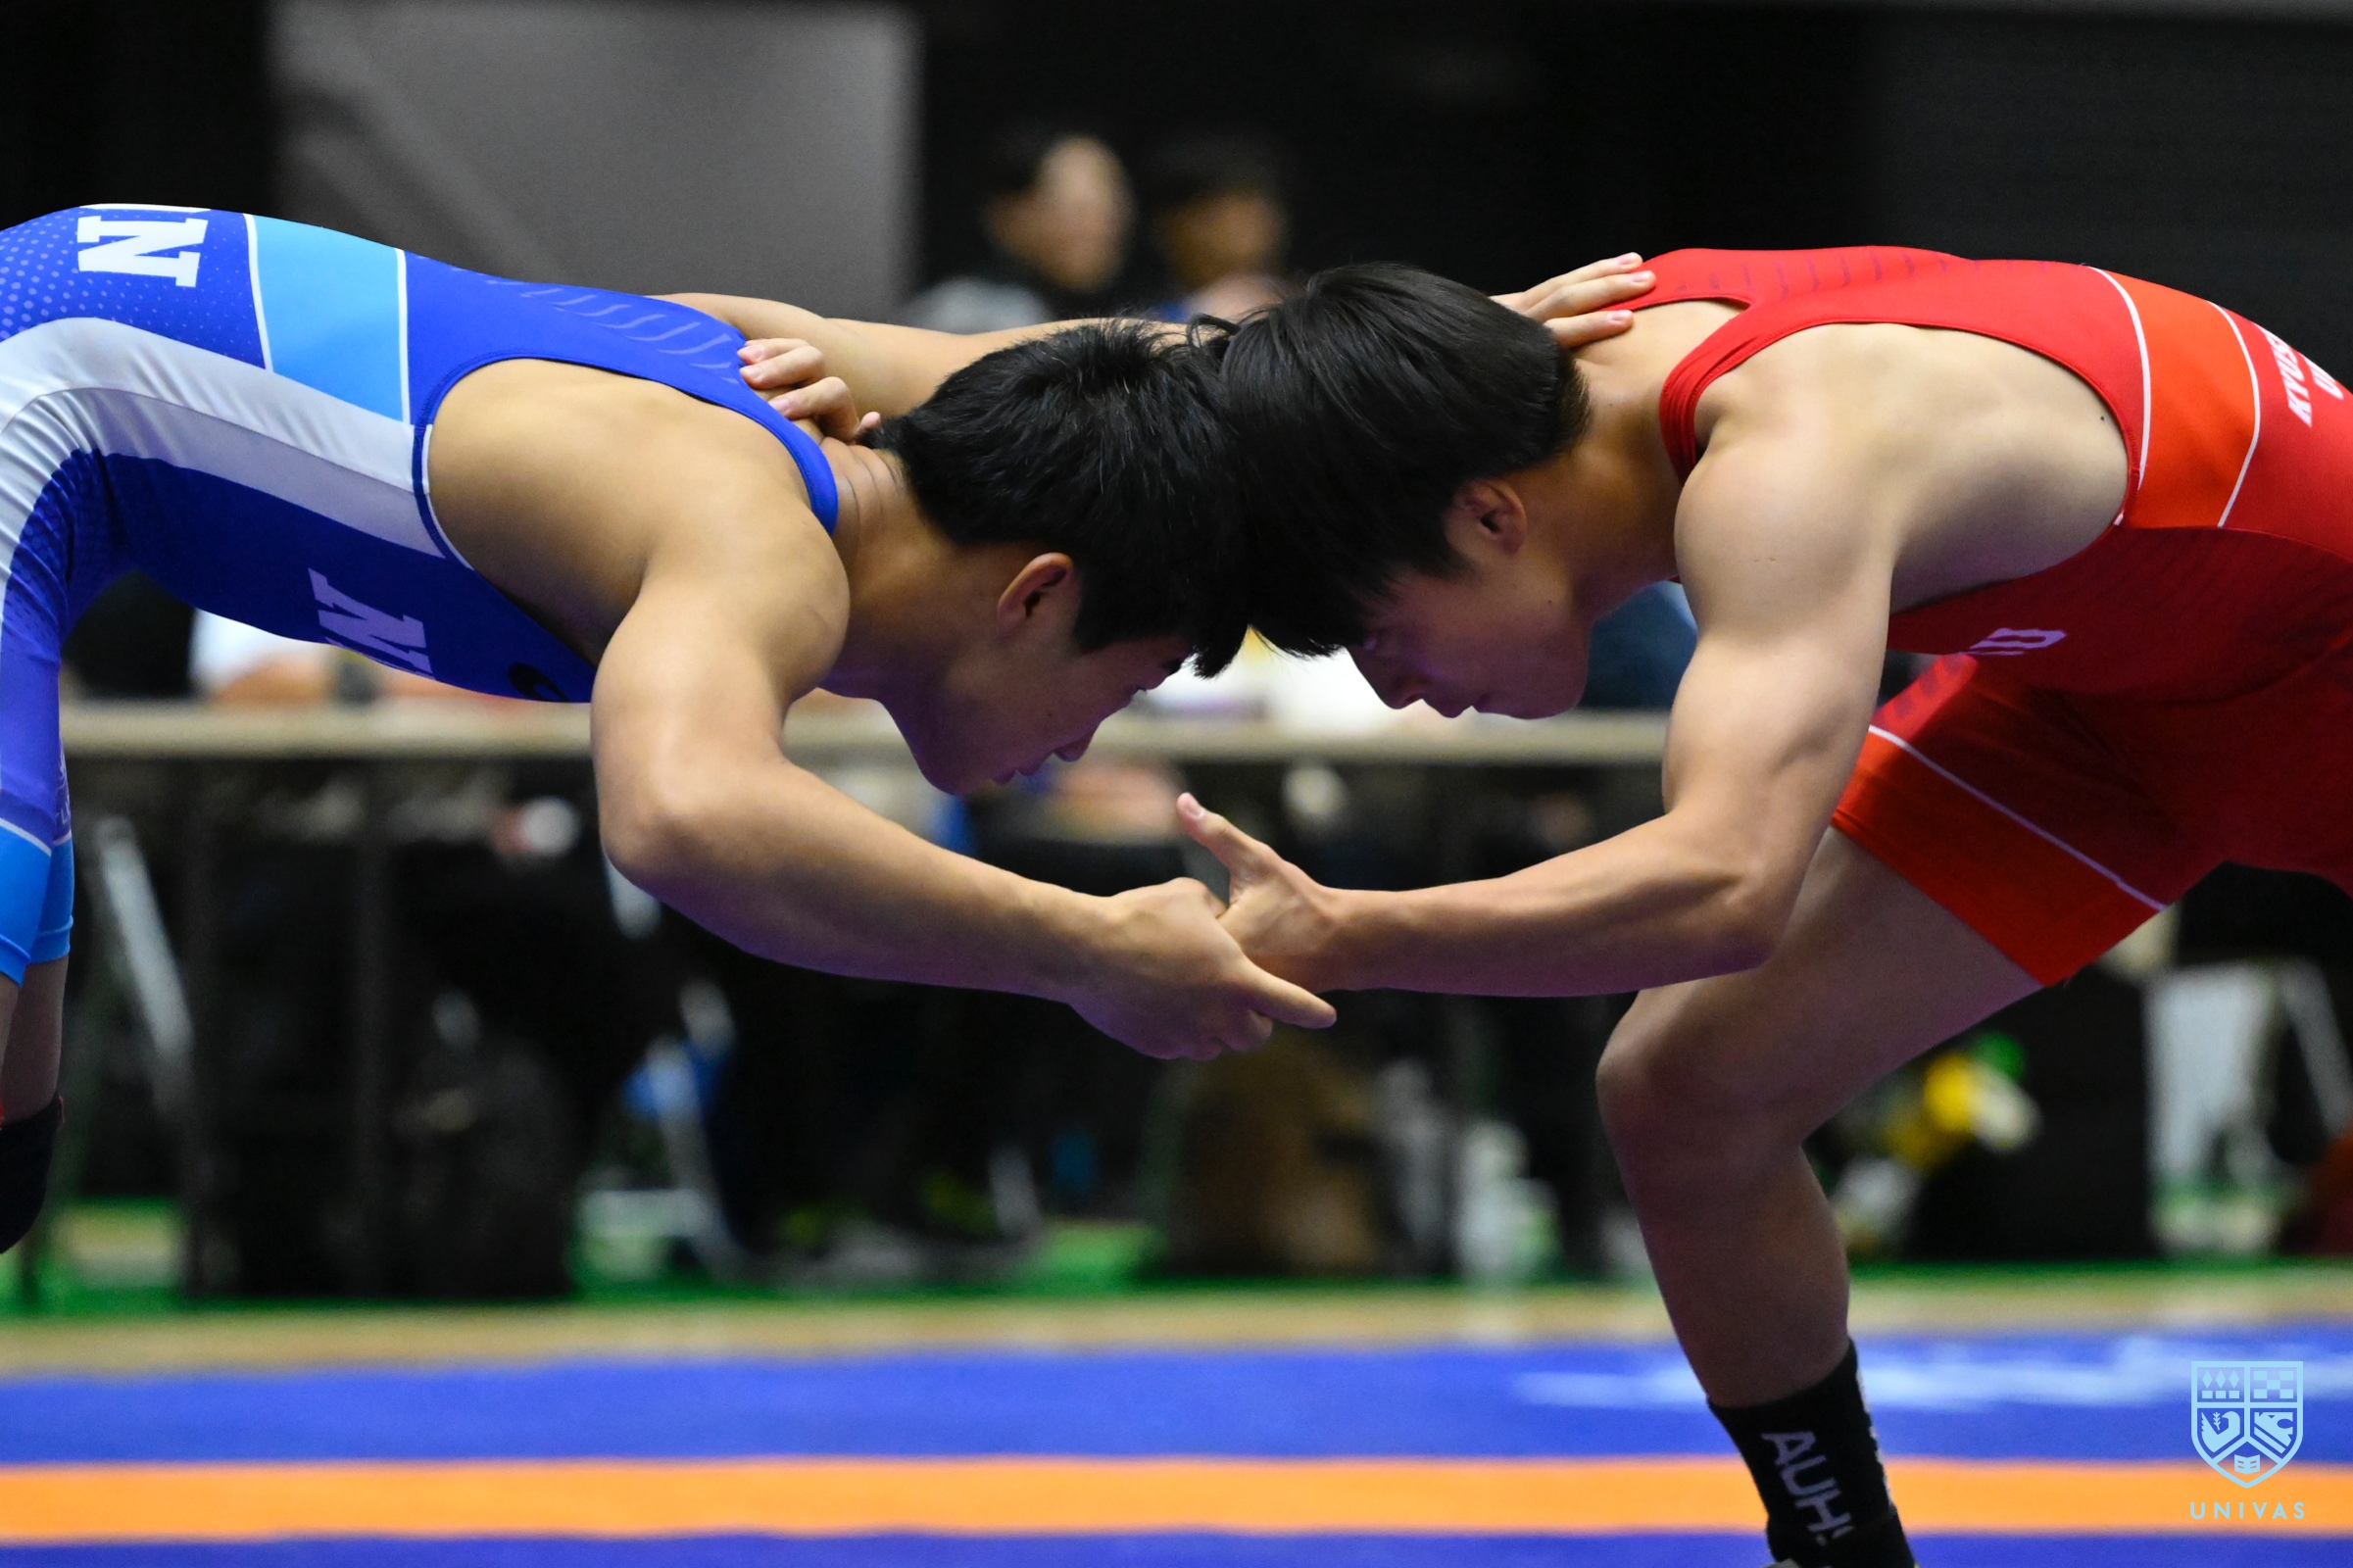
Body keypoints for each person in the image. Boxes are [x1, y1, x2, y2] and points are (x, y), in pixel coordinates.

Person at [1178, 248, 2353, 1568]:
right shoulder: (1501, 380)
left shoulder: (1787, 461)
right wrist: (1326, 366)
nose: (1395, 691)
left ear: (1490, 517)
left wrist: (1349, 933)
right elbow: (1133, 394)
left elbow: (1726, 887)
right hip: (2101, 692)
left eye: (1380, 634)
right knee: (1687, 1089)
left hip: (2324, 665)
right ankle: (1838, 1551)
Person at [0, 204, 1335, 1256]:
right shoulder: (760, 531)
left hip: (58, 407)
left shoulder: (778, 378)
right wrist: (1086, 948)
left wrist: (1410, 356)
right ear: (1036, 595)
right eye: (1121, 683)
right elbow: (686, 818)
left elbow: (1147, 374)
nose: (1086, 743)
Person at [899, 126, 1134, 333]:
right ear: (1010, 214)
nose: (1100, 228)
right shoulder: (963, 319)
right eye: (1079, 210)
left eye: (1110, 208)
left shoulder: (1130, 315)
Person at [1140, 133, 1293, 323]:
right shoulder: (1147, 326)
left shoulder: (1313, 310)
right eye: (1211, 215)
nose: (1248, 225)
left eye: (1256, 206)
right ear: (1171, 226)